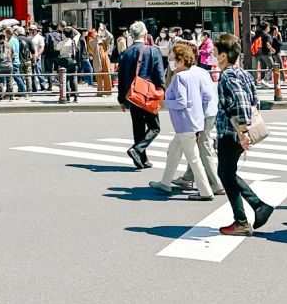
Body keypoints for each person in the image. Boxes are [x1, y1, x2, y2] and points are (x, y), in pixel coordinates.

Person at [212, 33, 275, 236]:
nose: (214, 55)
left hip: (232, 132)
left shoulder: (228, 75)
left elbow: (239, 102)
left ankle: (247, 216)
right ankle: (252, 211)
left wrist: (242, 130)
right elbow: (254, 101)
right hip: (237, 132)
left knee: (226, 173)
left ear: (223, 56)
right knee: (227, 173)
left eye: (216, 52)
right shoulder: (244, 73)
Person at [150, 42, 215, 201]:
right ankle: (165, 182)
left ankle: (206, 191)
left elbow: (181, 102)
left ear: (180, 61)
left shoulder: (179, 77)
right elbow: (207, 96)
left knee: (193, 158)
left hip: (185, 124)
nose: (170, 61)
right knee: (173, 151)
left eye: (172, 58)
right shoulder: (194, 74)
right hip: (194, 122)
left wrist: (164, 103)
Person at [115, 21, 164, 169]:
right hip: (148, 95)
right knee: (155, 127)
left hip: (132, 95)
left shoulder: (126, 53)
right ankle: (137, 150)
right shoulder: (153, 51)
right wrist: (161, 94)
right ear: (145, 33)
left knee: (138, 127)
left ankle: (142, 159)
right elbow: (159, 75)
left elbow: (121, 77)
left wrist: (121, 99)